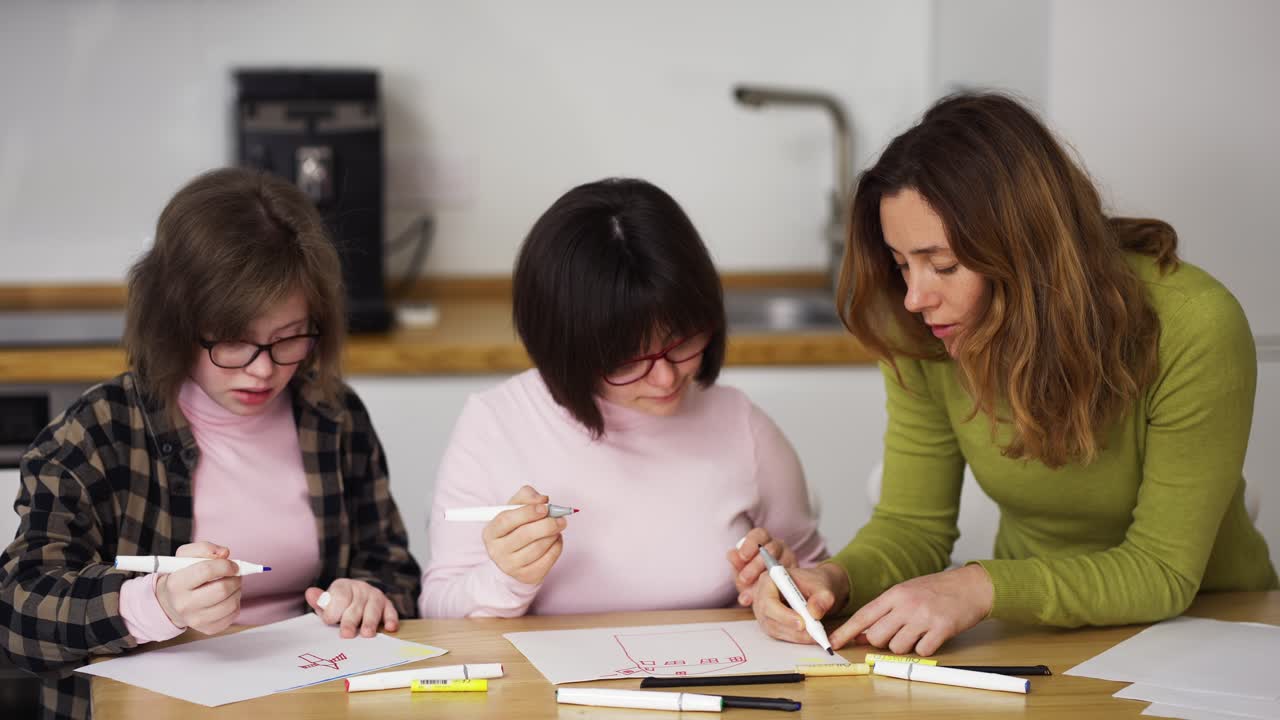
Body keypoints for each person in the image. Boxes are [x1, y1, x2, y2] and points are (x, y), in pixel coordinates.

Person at [744, 92, 1278, 657]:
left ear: (1026, 251)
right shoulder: (922, 331)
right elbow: (912, 526)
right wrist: (833, 581)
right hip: (1038, 632)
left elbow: (1162, 571)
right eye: (903, 265)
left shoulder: (1194, 325)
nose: (915, 297)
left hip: (1216, 630)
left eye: (943, 265)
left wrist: (980, 585)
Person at [0, 167, 421, 720]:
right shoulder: (98, 432)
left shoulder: (333, 417)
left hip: (310, 698)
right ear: (174, 323)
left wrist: (371, 594)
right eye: (233, 341)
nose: (263, 371)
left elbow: (394, 566)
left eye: (289, 337)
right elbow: (18, 614)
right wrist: (156, 603)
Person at [419, 178, 826, 618]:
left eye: (682, 341)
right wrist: (507, 579)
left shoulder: (742, 425)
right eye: (626, 362)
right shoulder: (495, 425)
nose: (666, 377)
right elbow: (436, 612)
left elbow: (815, 572)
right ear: (565, 352)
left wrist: (784, 584)